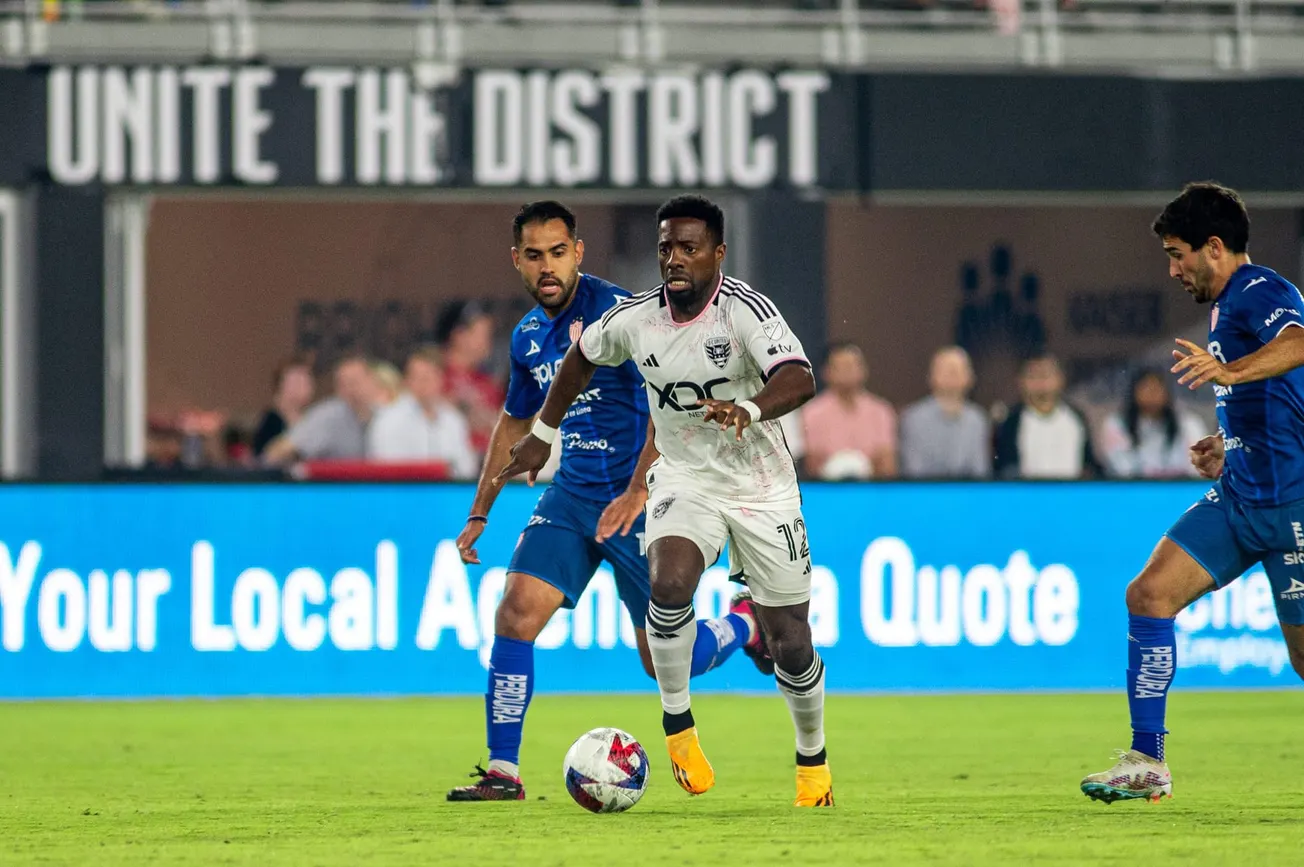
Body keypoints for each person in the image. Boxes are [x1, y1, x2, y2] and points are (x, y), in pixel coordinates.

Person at [497, 195, 832, 808]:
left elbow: (801, 375)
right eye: (665, 248)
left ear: (717, 254)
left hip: (762, 487)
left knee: (792, 641)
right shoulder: (635, 319)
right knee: (670, 583)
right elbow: (579, 359)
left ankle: (811, 754)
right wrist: (541, 436)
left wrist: (750, 408)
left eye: (689, 248)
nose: (674, 259)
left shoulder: (745, 312)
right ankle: (678, 728)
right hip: (683, 479)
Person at [447, 201, 765, 803]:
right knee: (514, 612)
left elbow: (667, 409)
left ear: (579, 253)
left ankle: (744, 625)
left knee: (666, 660)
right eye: (535, 255)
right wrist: (480, 510)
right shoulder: (528, 337)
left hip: (643, 501)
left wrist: (639, 488)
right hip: (572, 498)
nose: (548, 267)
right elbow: (515, 425)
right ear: (517, 260)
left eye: (559, 253)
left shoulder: (629, 317)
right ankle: (503, 771)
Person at [1082, 182, 1304, 804]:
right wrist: (1225, 441)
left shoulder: (1259, 290)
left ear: (1214, 247)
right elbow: (1280, 397)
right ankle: (1147, 761)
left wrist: (1229, 371)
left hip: (1293, 509)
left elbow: (1300, 344)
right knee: (1148, 595)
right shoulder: (1226, 302)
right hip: (1241, 497)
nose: (1173, 269)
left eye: (1178, 254)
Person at [367, 347, 478, 479]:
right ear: (407, 380)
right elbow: (384, 467)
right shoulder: (387, 420)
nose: (423, 384)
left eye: (428, 377)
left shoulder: (453, 419)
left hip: (446, 493)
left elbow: (467, 467)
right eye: (417, 378)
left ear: (440, 379)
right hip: (403, 492)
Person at [993, 354, 1101, 479]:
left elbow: (1089, 466)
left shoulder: (1076, 419)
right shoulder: (1011, 422)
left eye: (1045, 375)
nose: (1040, 383)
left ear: (1060, 379)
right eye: (1033, 376)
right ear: (1021, 381)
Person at [800, 342, 897, 480]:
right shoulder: (812, 412)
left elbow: (887, 465)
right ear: (827, 372)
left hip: (872, 489)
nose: (848, 371)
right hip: (827, 491)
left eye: (852, 366)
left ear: (864, 370)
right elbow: (812, 466)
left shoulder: (881, 411)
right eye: (842, 367)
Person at [899, 345, 991, 479]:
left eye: (959, 369)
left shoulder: (977, 419)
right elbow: (914, 472)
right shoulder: (914, 418)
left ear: (970, 377)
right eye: (947, 369)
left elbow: (980, 471)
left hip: (967, 496)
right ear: (931, 377)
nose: (953, 374)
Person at [1098, 368, 1207, 479]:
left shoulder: (1188, 424)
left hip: (1178, 489)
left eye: (1156, 389)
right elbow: (1120, 467)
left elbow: (1197, 465)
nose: (1152, 394)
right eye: (1146, 388)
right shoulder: (1116, 425)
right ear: (1134, 392)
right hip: (1132, 489)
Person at [251, 356, 315, 458]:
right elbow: (262, 459)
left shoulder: (314, 420)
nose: (305, 386)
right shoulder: (270, 422)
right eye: (297, 381)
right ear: (280, 386)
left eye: (307, 381)